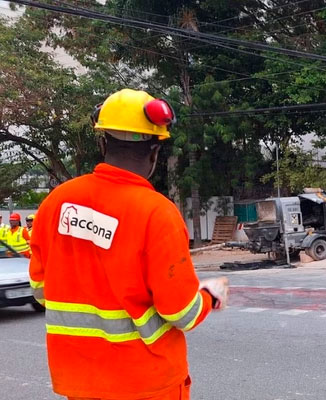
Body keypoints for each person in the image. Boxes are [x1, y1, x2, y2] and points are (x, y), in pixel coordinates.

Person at [28, 89, 229, 400]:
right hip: (147, 384)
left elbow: (41, 291)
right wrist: (210, 295)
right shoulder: (156, 213)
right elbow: (182, 314)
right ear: (154, 153)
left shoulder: (56, 203)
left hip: (80, 382)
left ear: (103, 142)